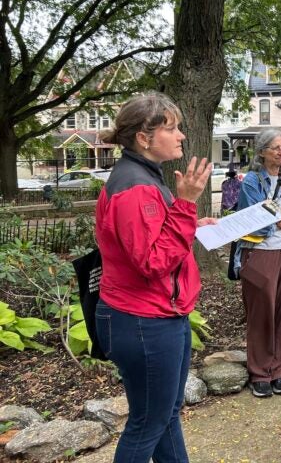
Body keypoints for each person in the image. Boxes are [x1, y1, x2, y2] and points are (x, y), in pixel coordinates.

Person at [94, 93, 214, 463]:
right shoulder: (137, 188)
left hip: (159, 315)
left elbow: (152, 239)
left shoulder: (143, 177)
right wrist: (187, 204)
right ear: (144, 138)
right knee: (148, 422)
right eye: (172, 128)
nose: (180, 135)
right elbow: (152, 262)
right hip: (144, 320)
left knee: (164, 415)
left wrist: (190, 223)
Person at [235, 130, 281, 398]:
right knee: (261, 310)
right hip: (261, 251)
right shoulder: (252, 181)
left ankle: (279, 370)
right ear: (262, 151)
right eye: (276, 147)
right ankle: (259, 372)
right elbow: (254, 217)